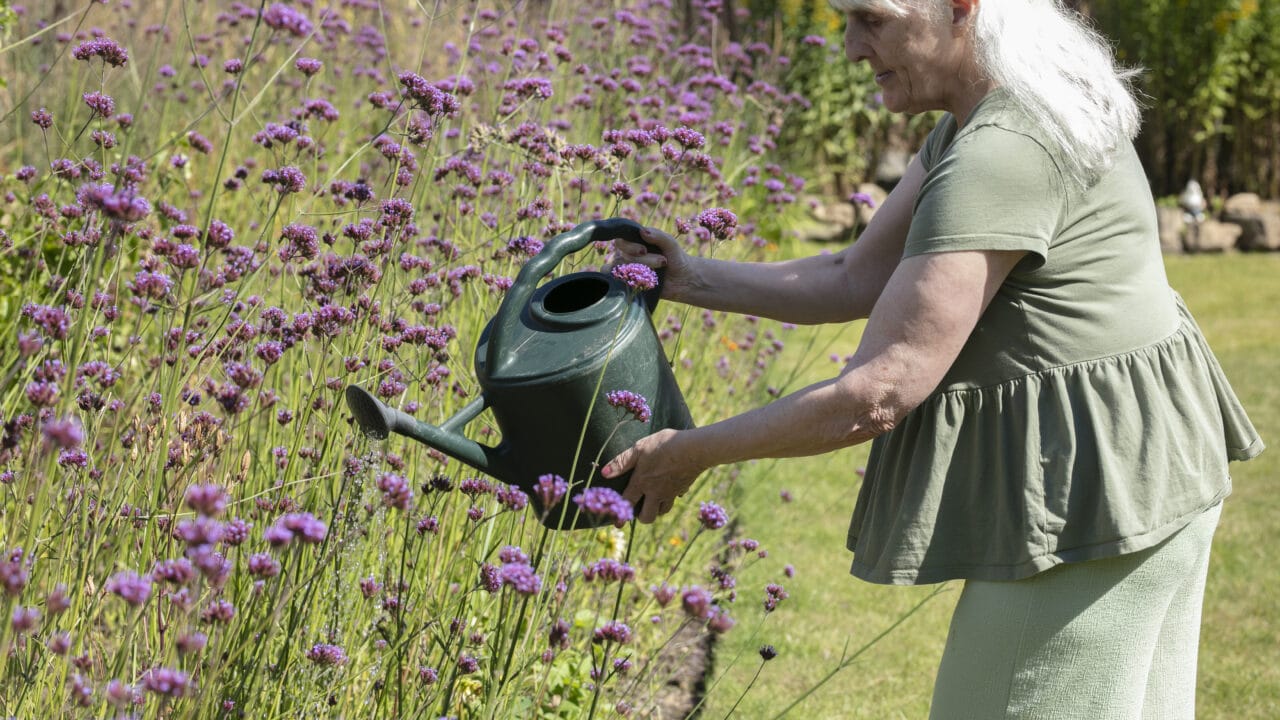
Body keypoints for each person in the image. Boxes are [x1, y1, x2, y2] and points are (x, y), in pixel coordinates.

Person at [600, 0, 1265, 717]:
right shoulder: (1010, 108)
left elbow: (879, 392)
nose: (852, 48)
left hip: (1091, 507)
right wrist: (689, 278)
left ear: (959, 9)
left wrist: (689, 453)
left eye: (872, 18)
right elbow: (855, 274)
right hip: (1148, 466)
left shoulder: (1001, 151)